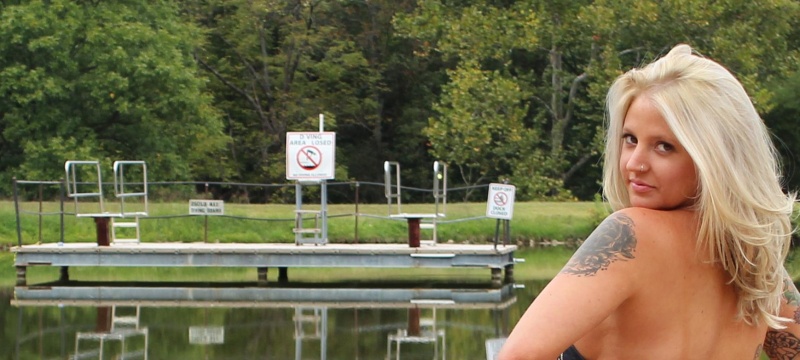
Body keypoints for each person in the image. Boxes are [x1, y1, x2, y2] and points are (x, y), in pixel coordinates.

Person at [497, 43, 800, 359]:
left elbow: (518, 355)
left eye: (664, 147)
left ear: (715, 158)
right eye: (630, 139)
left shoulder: (631, 236)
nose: (633, 163)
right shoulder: (754, 262)